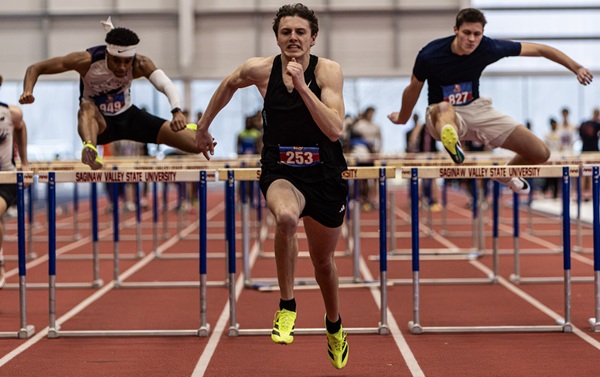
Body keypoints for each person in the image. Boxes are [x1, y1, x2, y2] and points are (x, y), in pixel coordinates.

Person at [194, 3, 349, 369]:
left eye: (300, 32)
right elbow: (229, 84)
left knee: (323, 263)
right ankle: (287, 305)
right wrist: (202, 127)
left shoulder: (328, 71)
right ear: (276, 37)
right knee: (285, 218)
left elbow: (334, 128)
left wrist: (301, 86)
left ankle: (334, 325)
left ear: (313, 36)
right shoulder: (259, 69)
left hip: (325, 173)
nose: (293, 38)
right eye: (286, 32)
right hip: (281, 168)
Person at [388, 8, 593, 194]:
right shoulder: (430, 55)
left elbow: (540, 49)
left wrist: (576, 67)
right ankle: (452, 141)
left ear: (482, 34)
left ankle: (506, 173)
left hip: (477, 109)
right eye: (466, 33)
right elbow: (413, 89)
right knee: (444, 107)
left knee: (539, 152)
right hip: (440, 114)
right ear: (456, 30)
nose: (471, 39)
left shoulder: (489, 48)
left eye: (477, 34)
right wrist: (403, 117)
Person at [19, 17, 201, 170]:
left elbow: (166, 85)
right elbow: (36, 68)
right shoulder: (85, 61)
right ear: (107, 54)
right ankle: (90, 149)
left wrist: (176, 110)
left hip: (130, 117)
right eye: (116, 61)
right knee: (86, 106)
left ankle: (195, 131)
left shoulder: (141, 64)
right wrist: (28, 90)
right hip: (99, 124)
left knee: (195, 146)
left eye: (126, 62)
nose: (122, 67)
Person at [0, 74, 29, 289]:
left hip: (6, 177)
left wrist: (25, 163)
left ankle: (0, 263)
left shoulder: (11, 113)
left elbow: (21, 127)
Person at [349, 106, 381, 211]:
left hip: (371, 155)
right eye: (370, 113)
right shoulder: (359, 125)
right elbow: (351, 138)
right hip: (360, 154)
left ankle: (372, 198)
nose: (371, 116)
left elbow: (380, 139)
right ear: (366, 113)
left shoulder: (376, 126)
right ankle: (362, 198)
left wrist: (378, 151)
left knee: (375, 178)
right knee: (362, 178)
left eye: (373, 114)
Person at [579, 108, 600, 201]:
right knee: (592, 174)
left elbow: (580, 136)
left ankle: (582, 194)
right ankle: (591, 194)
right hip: (593, 151)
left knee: (585, 174)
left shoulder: (584, 123)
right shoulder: (597, 124)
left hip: (585, 151)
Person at [543, 118, 561, 199]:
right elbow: (545, 145)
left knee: (556, 176)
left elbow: (561, 146)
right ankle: (545, 190)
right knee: (549, 176)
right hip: (550, 157)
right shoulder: (547, 134)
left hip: (557, 157)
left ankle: (555, 194)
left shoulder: (559, 134)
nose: (554, 125)